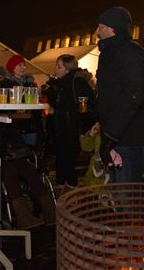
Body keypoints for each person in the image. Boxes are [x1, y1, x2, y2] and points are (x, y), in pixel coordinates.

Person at [95, 6, 144, 184]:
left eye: (100, 26)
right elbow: (110, 95)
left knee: (128, 198)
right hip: (114, 135)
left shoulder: (131, 52)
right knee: (117, 196)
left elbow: (134, 96)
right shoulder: (108, 53)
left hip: (128, 138)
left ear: (112, 28)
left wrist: (111, 134)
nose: (96, 31)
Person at [47, 54, 95, 190]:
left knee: (69, 159)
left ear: (67, 69)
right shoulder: (59, 84)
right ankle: (61, 182)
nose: (55, 68)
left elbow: (85, 105)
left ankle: (71, 188)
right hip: (61, 128)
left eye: (59, 66)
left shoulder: (77, 82)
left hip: (73, 128)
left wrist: (82, 125)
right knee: (61, 156)